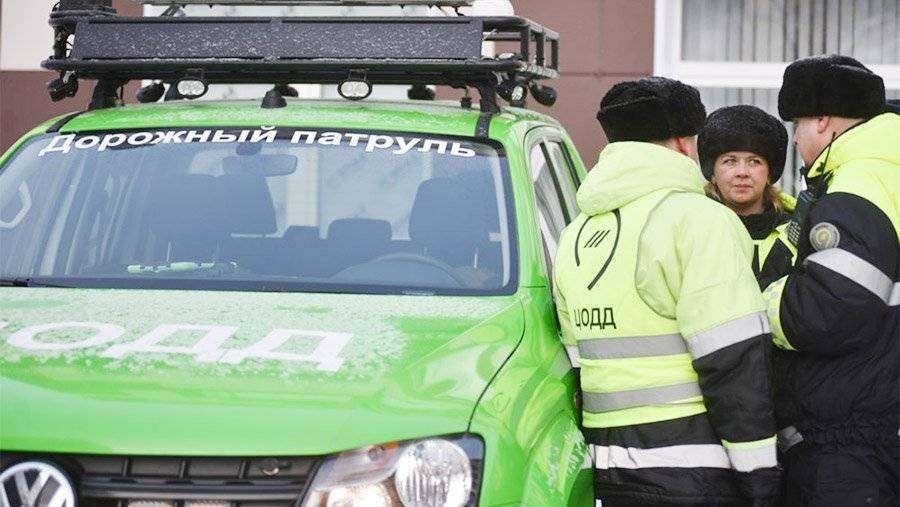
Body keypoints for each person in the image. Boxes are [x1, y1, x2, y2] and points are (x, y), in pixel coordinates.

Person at [553, 77, 780, 506]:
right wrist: (760, 474)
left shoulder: (575, 234)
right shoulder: (699, 220)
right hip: (693, 467)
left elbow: (577, 360)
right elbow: (734, 359)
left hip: (605, 465)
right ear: (684, 143)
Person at [763, 54, 899, 506]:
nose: (795, 139)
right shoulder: (888, 171)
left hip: (854, 441)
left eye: (797, 125)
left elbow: (827, 310)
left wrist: (763, 303)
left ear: (822, 120)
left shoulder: (859, 183)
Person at [698, 105, 797, 287]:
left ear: (769, 174)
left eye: (754, 162)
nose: (742, 172)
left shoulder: (797, 231)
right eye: (730, 161)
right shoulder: (693, 229)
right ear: (712, 173)